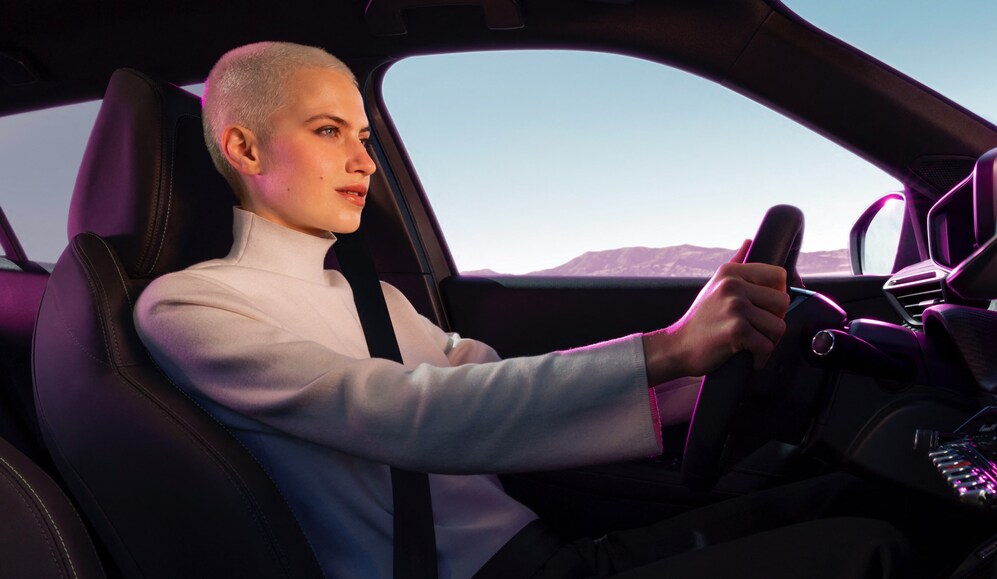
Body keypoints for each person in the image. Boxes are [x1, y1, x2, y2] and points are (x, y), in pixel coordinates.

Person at [134, 42, 911, 578]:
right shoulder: (189, 306)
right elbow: (410, 415)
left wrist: (718, 365)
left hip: (546, 548)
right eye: (329, 131)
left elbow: (495, 383)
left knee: (868, 499)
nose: (364, 159)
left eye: (364, 135)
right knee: (871, 550)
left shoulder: (372, 299)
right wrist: (672, 347)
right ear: (243, 149)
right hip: (483, 574)